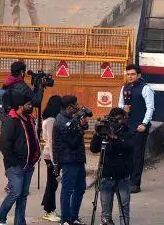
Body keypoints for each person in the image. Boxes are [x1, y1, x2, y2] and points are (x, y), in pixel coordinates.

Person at [0, 89, 41, 225]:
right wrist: (14, 163)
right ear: (20, 106)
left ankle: (20, 222)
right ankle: (0, 218)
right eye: (28, 105)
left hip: (29, 165)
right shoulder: (11, 121)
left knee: (23, 196)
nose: (31, 107)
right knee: (15, 192)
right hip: (16, 166)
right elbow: (5, 146)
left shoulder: (30, 119)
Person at [90, 108, 137, 225]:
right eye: (116, 120)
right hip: (106, 175)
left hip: (122, 176)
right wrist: (97, 133)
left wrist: (115, 138)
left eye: (120, 119)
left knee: (124, 210)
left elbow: (129, 147)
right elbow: (94, 148)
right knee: (106, 213)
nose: (119, 122)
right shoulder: (105, 130)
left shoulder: (127, 131)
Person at [119, 63, 157, 193]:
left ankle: (135, 184)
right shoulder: (124, 88)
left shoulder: (146, 89)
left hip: (139, 127)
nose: (130, 76)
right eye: (128, 74)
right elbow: (120, 104)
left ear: (139, 75)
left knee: (137, 155)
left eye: (133, 74)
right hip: (126, 127)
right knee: (126, 154)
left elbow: (150, 108)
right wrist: (123, 109)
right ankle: (125, 181)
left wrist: (144, 124)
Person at [54, 95, 90, 225]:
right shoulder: (61, 121)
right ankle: (66, 219)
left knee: (80, 188)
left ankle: (74, 217)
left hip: (78, 159)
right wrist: (80, 129)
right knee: (67, 190)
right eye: (76, 104)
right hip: (68, 160)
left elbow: (79, 131)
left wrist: (82, 124)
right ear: (70, 107)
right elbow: (72, 142)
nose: (78, 106)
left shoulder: (71, 118)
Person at [40, 95, 64, 222]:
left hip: (50, 155)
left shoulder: (50, 119)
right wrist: (55, 162)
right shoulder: (51, 121)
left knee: (52, 183)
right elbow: (52, 141)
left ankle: (48, 206)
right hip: (51, 156)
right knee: (52, 184)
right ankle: (49, 211)